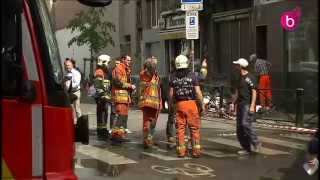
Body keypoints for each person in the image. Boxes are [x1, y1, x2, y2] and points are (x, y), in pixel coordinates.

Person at [169, 54, 204, 158]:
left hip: (179, 105)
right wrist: (201, 105)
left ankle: (181, 151)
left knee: (180, 128)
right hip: (192, 104)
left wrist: (172, 105)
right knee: (194, 128)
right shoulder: (192, 75)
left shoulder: (173, 77)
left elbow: (171, 94)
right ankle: (196, 151)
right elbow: (198, 92)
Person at [230, 58, 261, 155]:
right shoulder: (239, 77)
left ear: (240, 66)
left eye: (237, 65)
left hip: (247, 104)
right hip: (240, 104)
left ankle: (256, 141)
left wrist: (252, 106)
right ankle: (246, 148)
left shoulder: (250, 77)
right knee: (239, 128)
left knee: (245, 124)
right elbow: (237, 92)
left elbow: (254, 92)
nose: (235, 67)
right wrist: (232, 103)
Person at [110, 55, 136, 142]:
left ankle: (120, 135)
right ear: (123, 60)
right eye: (128, 60)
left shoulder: (126, 69)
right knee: (120, 116)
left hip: (125, 97)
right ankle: (115, 135)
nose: (129, 62)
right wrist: (130, 86)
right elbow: (118, 82)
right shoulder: (118, 68)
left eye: (130, 60)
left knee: (123, 117)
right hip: (119, 97)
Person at [138, 56, 162, 148]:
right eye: (155, 64)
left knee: (151, 121)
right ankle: (146, 140)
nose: (156, 65)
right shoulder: (146, 73)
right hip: (150, 101)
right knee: (148, 121)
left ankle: (149, 139)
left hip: (154, 101)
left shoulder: (154, 74)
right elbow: (150, 69)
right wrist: (151, 62)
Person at [93, 54, 113, 140]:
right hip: (101, 97)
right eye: (108, 63)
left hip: (105, 96)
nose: (108, 65)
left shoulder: (106, 72)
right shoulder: (99, 72)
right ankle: (101, 132)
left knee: (105, 113)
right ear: (103, 62)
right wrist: (103, 95)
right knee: (101, 114)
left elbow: (109, 84)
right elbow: (98, 85)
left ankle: (103, 130)